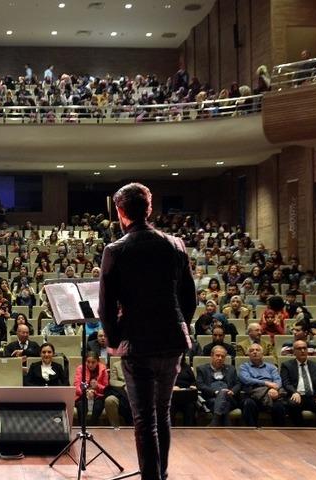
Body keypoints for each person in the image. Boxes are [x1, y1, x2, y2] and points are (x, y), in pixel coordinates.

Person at [99, 183, 195, 480]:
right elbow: (188, 298)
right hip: (172, 340)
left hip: (138, 343)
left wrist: (115, 341)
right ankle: (161, 475)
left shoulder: (115, 250)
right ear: (149, 208)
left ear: (120, 212)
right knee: (162, 413)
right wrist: (178, 326)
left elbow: (105, 306)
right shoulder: (176, 244)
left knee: (144, 420)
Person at [280, 340, 316, 427]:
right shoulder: (287, 365)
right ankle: (301, 429)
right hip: (297, 395)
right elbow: (286, 382)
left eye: (304, 348)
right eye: (299, 349)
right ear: (294, 352)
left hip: (313, 396)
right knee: (293, 404)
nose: (302, 351)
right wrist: (294, 392)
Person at [238, 343, 287, 427]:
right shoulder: (244, 367)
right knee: (248, 403)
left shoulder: (271, 367)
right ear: (248, 354)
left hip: (271, 395)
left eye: (257, 350)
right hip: (252, 395)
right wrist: (266, 383)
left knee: (279, 406)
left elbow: (278, 380)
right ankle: (252, 431)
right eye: (251, 350)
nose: (254, 352)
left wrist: (274, 389)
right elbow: (246, 380)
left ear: (262, 353)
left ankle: (279, 432)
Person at [195, 346, 240, 426]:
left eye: (222, 356)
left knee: (223, 394)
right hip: (211, 398)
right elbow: (200, 385)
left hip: (230, 397)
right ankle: (227, 426)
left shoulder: (231, 369)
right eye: (217, 355)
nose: (220, 358)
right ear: (212, 356)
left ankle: (215, 421)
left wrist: (232, 391)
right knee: (222, 402)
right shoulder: (202, 369)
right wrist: (216, 392)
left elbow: (238, 383)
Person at [74, 351, 108, 425]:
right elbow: (76, 386)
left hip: (98, 395)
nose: (90, 364)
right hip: (82, 395)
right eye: (88, 362)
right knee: (81, 406)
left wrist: (96, 387)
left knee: (98, 407)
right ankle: (82, 427)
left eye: (93, 362)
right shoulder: (80, 368)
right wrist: (86, 391)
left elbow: (106, 388)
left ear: (98, 362)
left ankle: (92, 426)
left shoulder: (103, 369)